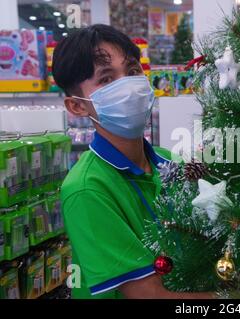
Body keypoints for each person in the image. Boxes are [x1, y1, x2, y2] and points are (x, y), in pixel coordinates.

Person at [53, 24, 214, 299]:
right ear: (77, 106)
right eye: (106, 79)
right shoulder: (86, 189)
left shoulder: (168, 161)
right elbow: (149, 296)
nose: (128, 86)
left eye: (132, 71)